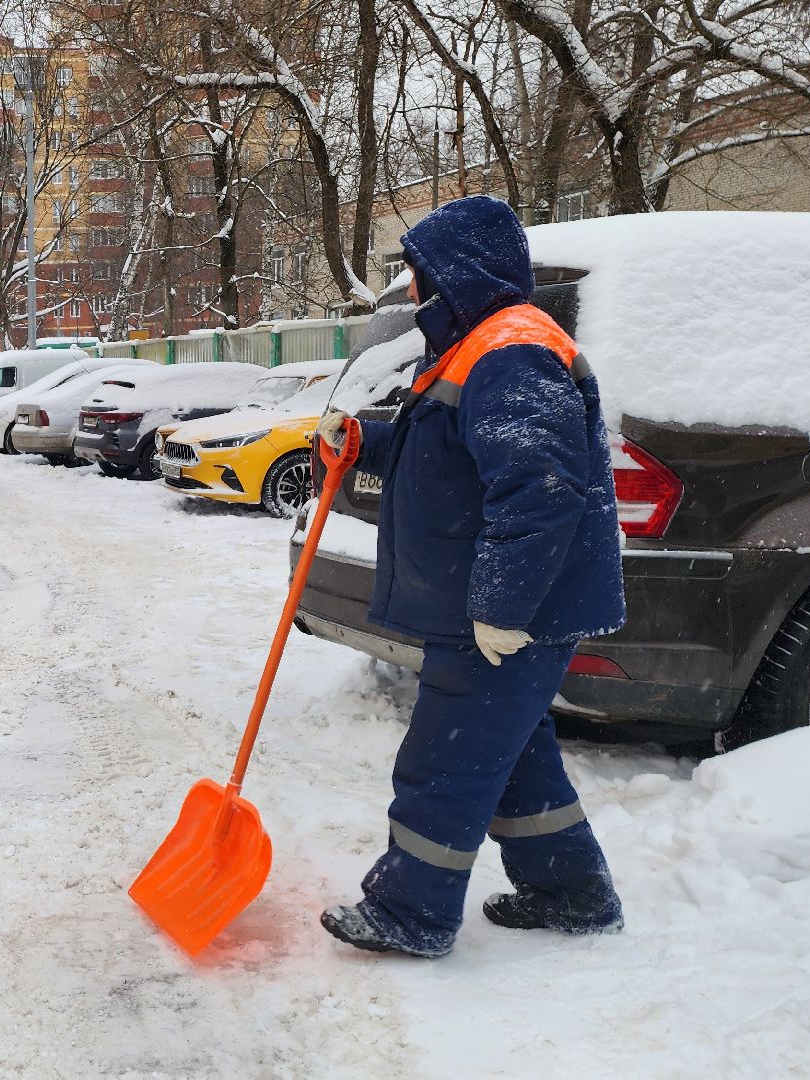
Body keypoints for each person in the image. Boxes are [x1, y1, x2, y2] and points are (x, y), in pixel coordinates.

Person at [312, 195, 625, 958]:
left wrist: (501, 606)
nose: (415, 289)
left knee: (445, 761)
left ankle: (410, 913)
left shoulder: (512, 350)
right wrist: (364, 440)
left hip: (506, 616)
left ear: (459, 272)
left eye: (420, 273)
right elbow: (446, 452)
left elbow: (539, 488)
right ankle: (572, 895)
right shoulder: (478, 346)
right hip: (491, 606)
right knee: (513, 760)